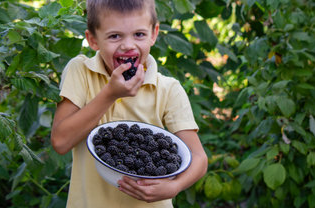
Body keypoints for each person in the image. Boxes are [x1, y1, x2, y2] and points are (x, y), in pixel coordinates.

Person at [51, 0, 208, 207]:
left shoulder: (168, 89)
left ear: (154, 34)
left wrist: (174, 186)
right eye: (115, 36)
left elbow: (199, 158)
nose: (127, 45)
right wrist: (110, 94)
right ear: (93, 39)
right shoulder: (81, 71)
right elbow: (61, 142)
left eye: (139, 34)